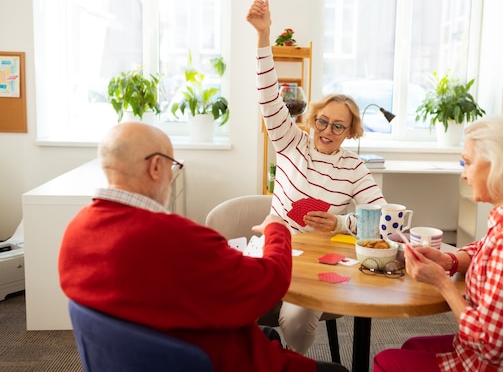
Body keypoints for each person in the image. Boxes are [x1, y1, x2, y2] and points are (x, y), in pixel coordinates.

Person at [58, 122, 348, 372]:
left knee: (268, 333)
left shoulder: (76, 230)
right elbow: (268, 283)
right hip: (218, 361)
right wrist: (277, 231)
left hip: (146, 355)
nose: (172, 175)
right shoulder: (175, 236)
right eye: (173, 165)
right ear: (156, 166)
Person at [374, 115, 503, 372]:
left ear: (497, 165)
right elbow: (488, 246)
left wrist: (442, 282)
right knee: (411, 346)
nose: (464, 174)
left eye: (468, 163)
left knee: (386, 361)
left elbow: (489, 346)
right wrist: (450, 260)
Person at [247, 0, 387, 355]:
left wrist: (340, 223)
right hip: (271, 247)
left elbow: (383, 219)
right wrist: (264, 37)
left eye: (338, 126)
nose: (327, 131)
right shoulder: (291, 141)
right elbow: (268, 99)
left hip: (318, 261)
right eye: (322, 121)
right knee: (230, 303)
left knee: (296, 319)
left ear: (350, 132)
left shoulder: (354, 168)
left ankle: (287, 363)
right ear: (312, 120)